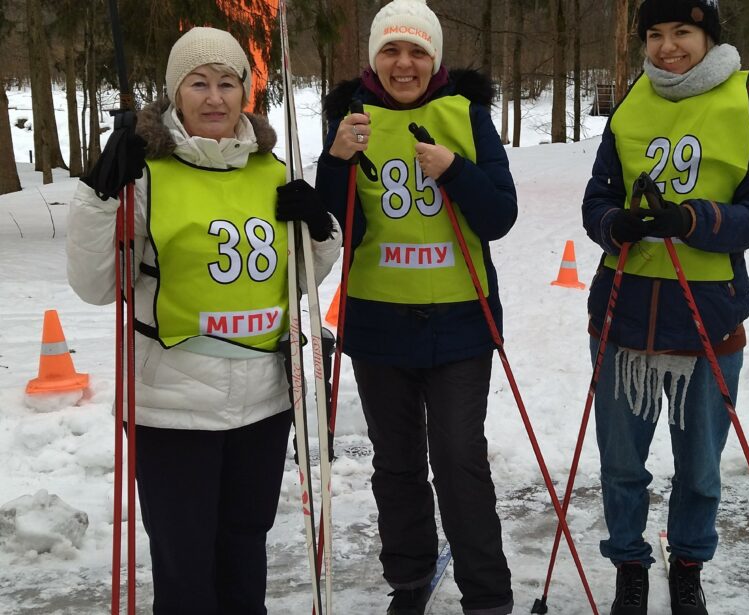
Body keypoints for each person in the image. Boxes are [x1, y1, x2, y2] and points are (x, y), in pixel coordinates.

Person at [66, 26, 341, 614]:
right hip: (172, 408)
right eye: (199, 84)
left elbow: (296, 280)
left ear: (245, 92)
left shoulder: (270, 167)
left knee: (245, 552)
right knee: (186, 564)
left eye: (227, 83)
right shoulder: (146, 171)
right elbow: (95, 286)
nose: (214, 97)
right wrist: (99, 196)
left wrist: (319, 229)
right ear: (174, 94)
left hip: (264, 403)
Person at [581, 1, 749, 614]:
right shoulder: (630, 105)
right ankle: (629, 566)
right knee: (622, 465)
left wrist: (696, 219)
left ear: (708, 36)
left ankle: (689, 563)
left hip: (708, 319)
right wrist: (614, 223)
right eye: (656, 35)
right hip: (625, 318)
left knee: (699, 468)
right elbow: (598, 199)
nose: (668, 47)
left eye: (683, 33)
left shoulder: (746, 105)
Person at [314, 1, 517, 613]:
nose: (404, 64)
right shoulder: (351, 119)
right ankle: (409, 578)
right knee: (396, 464)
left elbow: (499, 216)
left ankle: (486, 592)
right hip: (378, 322)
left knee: (459, 460)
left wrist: (454, 169)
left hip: (459, 322)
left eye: (417, 51)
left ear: (435, 58)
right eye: (391, 51)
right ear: (374, 57)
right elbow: (328, 228)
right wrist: (336, 161)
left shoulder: (468, 115)